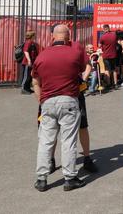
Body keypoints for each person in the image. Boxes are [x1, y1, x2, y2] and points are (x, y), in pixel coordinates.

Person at [31, 25, 87, 192]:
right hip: (69, 100)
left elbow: (35, 82)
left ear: (52, 37)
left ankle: (42, 178)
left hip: (47, 101)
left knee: (45, 141)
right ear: (68, 37)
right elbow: (84, 70)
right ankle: (70, 178)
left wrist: (41, 101)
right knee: (68, 140)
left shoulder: (42, 56)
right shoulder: (74, 53)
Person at [99, 24, 119, 90]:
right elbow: (116, 42)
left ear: (104, 29)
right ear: (109, 28)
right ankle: (115, 84)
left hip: (106, 55)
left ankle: (109, 84)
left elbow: (99, 45)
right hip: (114, 55)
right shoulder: (114, 35)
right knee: (114, 69)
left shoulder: (102, 37)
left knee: (107, 70)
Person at [21, 30, 39, 95]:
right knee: (26, 76)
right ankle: (23, 89)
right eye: (34, 35)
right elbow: (26, 52)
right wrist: (29, 60)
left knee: (29, 76)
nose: (35, 36)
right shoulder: (28, 43)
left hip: (31, 63)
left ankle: (28, 88)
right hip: (27, 63)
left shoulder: (32, 43)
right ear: (32, 36)